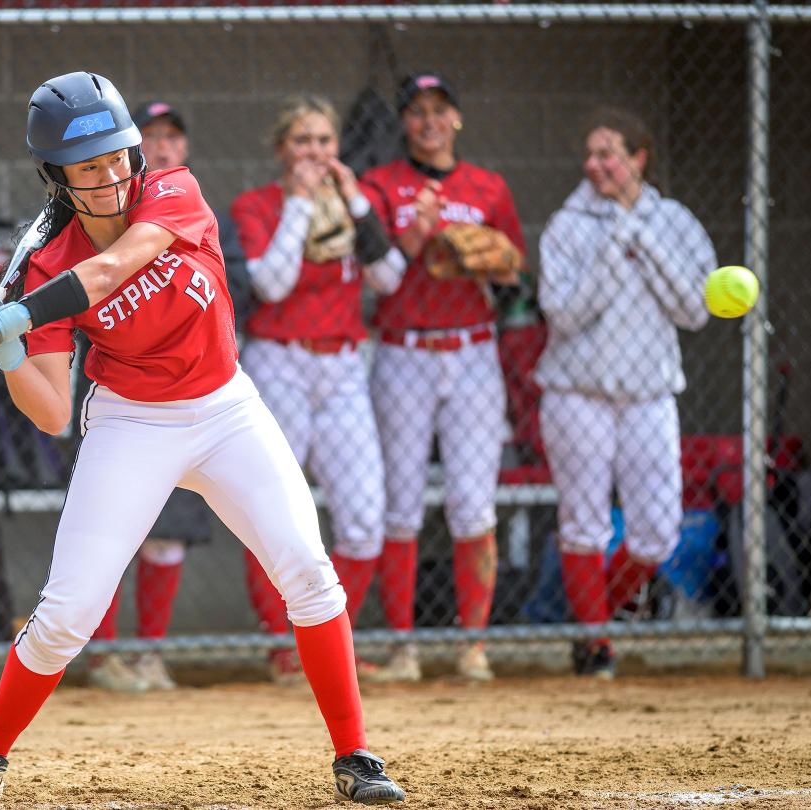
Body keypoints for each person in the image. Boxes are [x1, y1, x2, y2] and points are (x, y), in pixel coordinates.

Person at [0, 71, 405, 805]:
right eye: (89, 168)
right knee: (67, 613)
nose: (113, 175)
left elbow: (121, 262)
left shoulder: (170, 189)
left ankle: (355, 756)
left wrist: (22, 313)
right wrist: (8, 356)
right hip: (132, 420)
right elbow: (53, 412)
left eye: (119, 155)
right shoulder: (47, 263)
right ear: (56, 177)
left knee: (309, 574)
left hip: (226, 408)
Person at [230, 96, 405, 686]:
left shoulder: (354, 207)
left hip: (344, 368)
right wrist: (301, 207)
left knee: (364, 517)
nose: (315, 153)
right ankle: (283, 646)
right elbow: (272, 286)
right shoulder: (258, 205)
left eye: (324, 141)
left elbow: (390, 275)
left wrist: (354, 203)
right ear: (282, 149)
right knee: (274, 513)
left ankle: (331, 640)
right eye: (302, 141)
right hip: (280, 363)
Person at [79, 99, 252, 693]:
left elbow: (244, 287)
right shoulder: (89, 224)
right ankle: (103, 657)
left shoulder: (188, 199)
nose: (160, 146)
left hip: (199, 389)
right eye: (148, 136)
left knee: (169, 530)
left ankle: (149, 654)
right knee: (111, 532)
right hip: (125, 394)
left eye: (171, 137)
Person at [361, 71, 526, 683]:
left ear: (456, 117)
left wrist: (497, 259)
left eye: (439, 110)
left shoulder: (487, 186)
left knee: (471, 504)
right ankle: (404, 647)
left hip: (473, 350)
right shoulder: (382, 185)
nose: (429, 121)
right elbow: (376, 271)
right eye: (417, 112)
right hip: (403, 350)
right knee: (400, 505)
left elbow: (514, 275)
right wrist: (414, 233)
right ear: (405, 122)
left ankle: (472, 646)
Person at [536, 107, 712, 679]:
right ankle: (597, 646)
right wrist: (614, 250)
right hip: (576, 390)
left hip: (650, 391)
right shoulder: (569, 224)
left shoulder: (676, 221)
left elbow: (695, 309)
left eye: (608, 153)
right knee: (584, 521)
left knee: (657, 530)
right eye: (590, 154)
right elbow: (562, 315)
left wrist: (645, 242)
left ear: (638, 158)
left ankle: (594, 620)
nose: (595, 165)